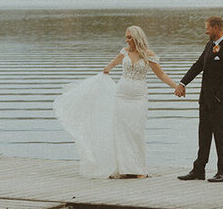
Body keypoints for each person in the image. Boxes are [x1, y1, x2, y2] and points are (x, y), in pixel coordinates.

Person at [53, 26, 177, 179]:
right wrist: (104, 72)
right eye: (126, 37)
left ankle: (139, 169)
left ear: (137, 38)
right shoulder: (124, 52)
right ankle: (124, 168)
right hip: (121, 96)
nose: (127, 40)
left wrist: (176, 86)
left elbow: (162, 74)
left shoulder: (148, 55)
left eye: (130, 37)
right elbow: (112, 64)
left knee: (136, 132)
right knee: (121, 132)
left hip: (139, 97)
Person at [175, 16, 223, 182]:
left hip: (218, 101)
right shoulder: (210, 45)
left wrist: (219, 97)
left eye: (208, 28)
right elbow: (198, 66)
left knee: (219, 134)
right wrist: (182, 83)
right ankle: (198, 170)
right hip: (204, 100)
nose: (206, 31)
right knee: (203, 134)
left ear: (216, 28)